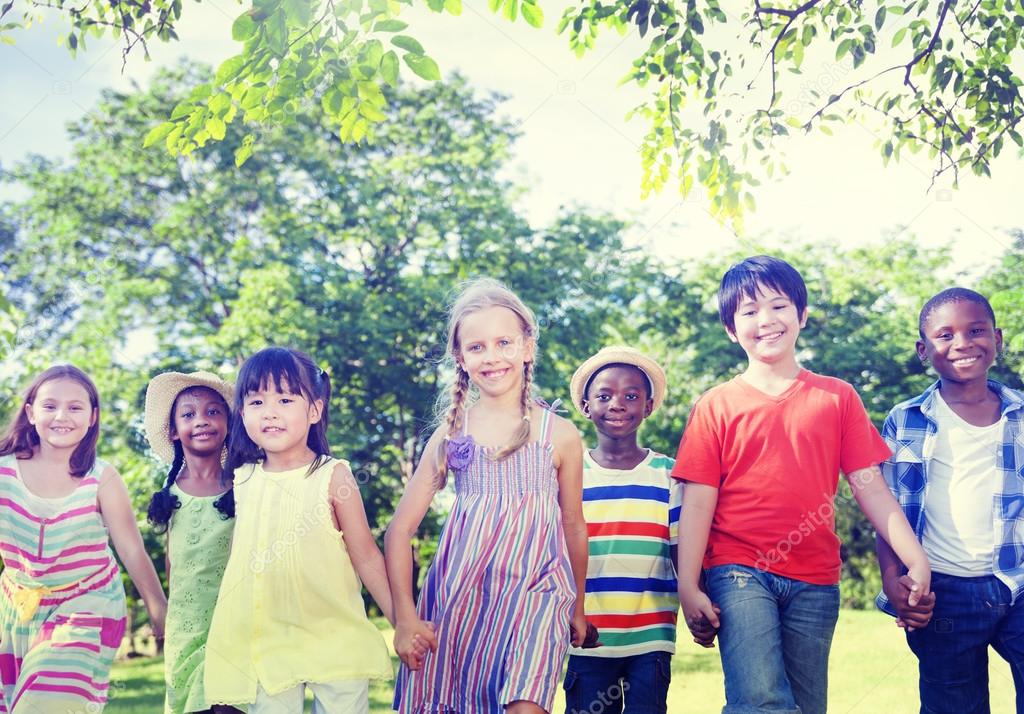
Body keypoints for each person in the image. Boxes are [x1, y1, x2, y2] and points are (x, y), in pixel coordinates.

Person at [674, 255, 931, 714]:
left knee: (808, 706)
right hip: (737, 569)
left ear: (802, 315)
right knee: (760, 701)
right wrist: (689, 584)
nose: (766, 320)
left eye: (778, 306)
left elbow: (870, 486)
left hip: (815, 577)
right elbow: (697, 502)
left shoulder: (837, 397)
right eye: (749, 312)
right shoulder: (715, 406)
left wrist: (916, 559)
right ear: (731, 329)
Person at [386, 277, 589, 714]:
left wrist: (578, 603)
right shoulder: (451, 434)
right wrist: (405, 616)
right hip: (459, 600)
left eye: (504, 342)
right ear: (460, 358)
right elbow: (399, 530)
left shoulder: (562, 436)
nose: (492, 356)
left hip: (538, 595)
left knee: (526, 702)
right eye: (476, 347)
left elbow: (573, 524)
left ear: (527, 347)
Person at [204, 347, 393, 713]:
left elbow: (366, 555)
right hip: (267, 642)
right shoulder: (242, 478)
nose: (270, 412)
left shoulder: (332, 475)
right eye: (256, 401)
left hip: (334, 635)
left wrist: (401, 620)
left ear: (314, 410)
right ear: (242, 414)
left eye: (285, 398)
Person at [877, 287, 1024, 714]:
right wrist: (892, 579)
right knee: (953, 702)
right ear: (924, 351)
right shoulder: (906, 420)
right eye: (945, 335)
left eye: (975, 330)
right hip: (943, 593)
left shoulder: (1019, 414)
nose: (962, 343)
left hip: (1018, 582)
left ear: (997, 338)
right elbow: (887, 511)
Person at [0, 364, 167, 712]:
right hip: (17, 607)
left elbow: (131, 549)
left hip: (87, 604)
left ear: (92, 417)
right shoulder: (4, 471)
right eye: (50, 406)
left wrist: (158, 609)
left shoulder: (101, 477)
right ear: (30, 413)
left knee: (44, 702)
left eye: (75, 407)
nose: (62, 415)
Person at [563, 345, 681, 714]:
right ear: (586, 406)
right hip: (587, 637)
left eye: (631, 396)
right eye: (605, 395)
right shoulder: (569, 475)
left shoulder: (669, 474)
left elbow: (681, 549)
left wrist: (697, 600)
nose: (618, 404)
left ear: (647, 407)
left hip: (652, 638)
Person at [144, 370, 238, 714]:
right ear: (173, 430)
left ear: (228, 423)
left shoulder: (244, 487)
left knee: (229, 704)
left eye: (214, 411)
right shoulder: (170, 497)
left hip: (234, 626)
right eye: (189, 414)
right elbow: (173, 565)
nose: (202, 421)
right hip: (186, 628)